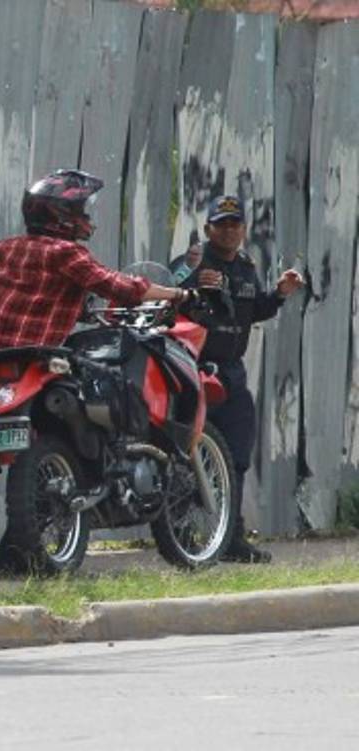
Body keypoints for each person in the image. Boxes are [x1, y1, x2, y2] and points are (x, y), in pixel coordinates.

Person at [0, 169, 193, 573]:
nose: (87, 216)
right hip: (31, 366)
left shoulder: (4, 248)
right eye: (81, 209)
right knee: (60, 442)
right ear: (62, 216)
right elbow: (118, 286)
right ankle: (18, 552)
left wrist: (50, 296)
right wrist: (176, 293)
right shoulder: (68, 254)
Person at [177, 194, 305, 563]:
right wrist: (194, 283)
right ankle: (184, 536)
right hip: (195, 368)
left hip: (231, 373)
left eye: (235, 224)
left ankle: (231, 538)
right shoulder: (196, 259)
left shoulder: (246, 266)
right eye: (222, 224)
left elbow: (252, 311)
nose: (230, 231)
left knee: (236, 455)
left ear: (243, 230)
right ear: (208, 229)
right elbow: (171, 293)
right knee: (187, 454)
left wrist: (278, 295)